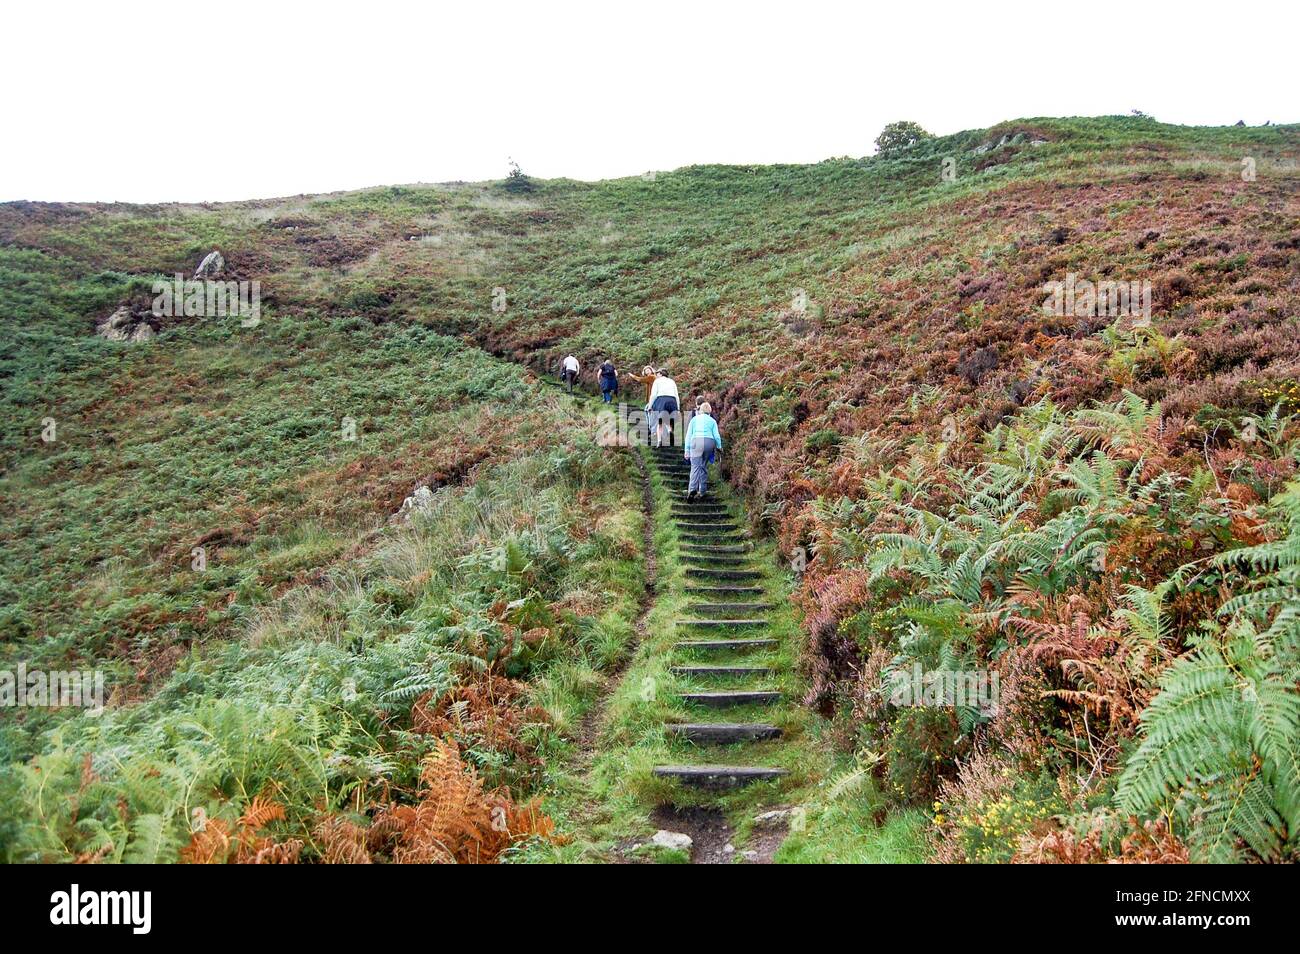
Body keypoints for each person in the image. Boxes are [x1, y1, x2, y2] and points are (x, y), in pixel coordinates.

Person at [684, 401, 722, 499]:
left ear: (700, 410)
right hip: (709, 443)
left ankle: (692, 489)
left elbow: (688, 436)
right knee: (703, 466)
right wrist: (719, 446)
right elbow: (717, 436)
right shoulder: (712, 421)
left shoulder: (694, 420)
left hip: (696, 441)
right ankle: (702, 491)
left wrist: (687, 450)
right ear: (709, 411)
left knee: (695, 467)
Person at [647, 369, 680, 448]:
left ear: (661, 374)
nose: (656, 375)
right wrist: (678, 408)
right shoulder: (672, 381)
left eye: (657, 373)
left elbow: (653, 395)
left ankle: (659, 441)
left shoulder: (657, 381)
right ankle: (670, 430)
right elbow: (676, 395)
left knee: (660, 422)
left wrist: (650, 406)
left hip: (662, 400)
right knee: (666, 419)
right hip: (672, 401)